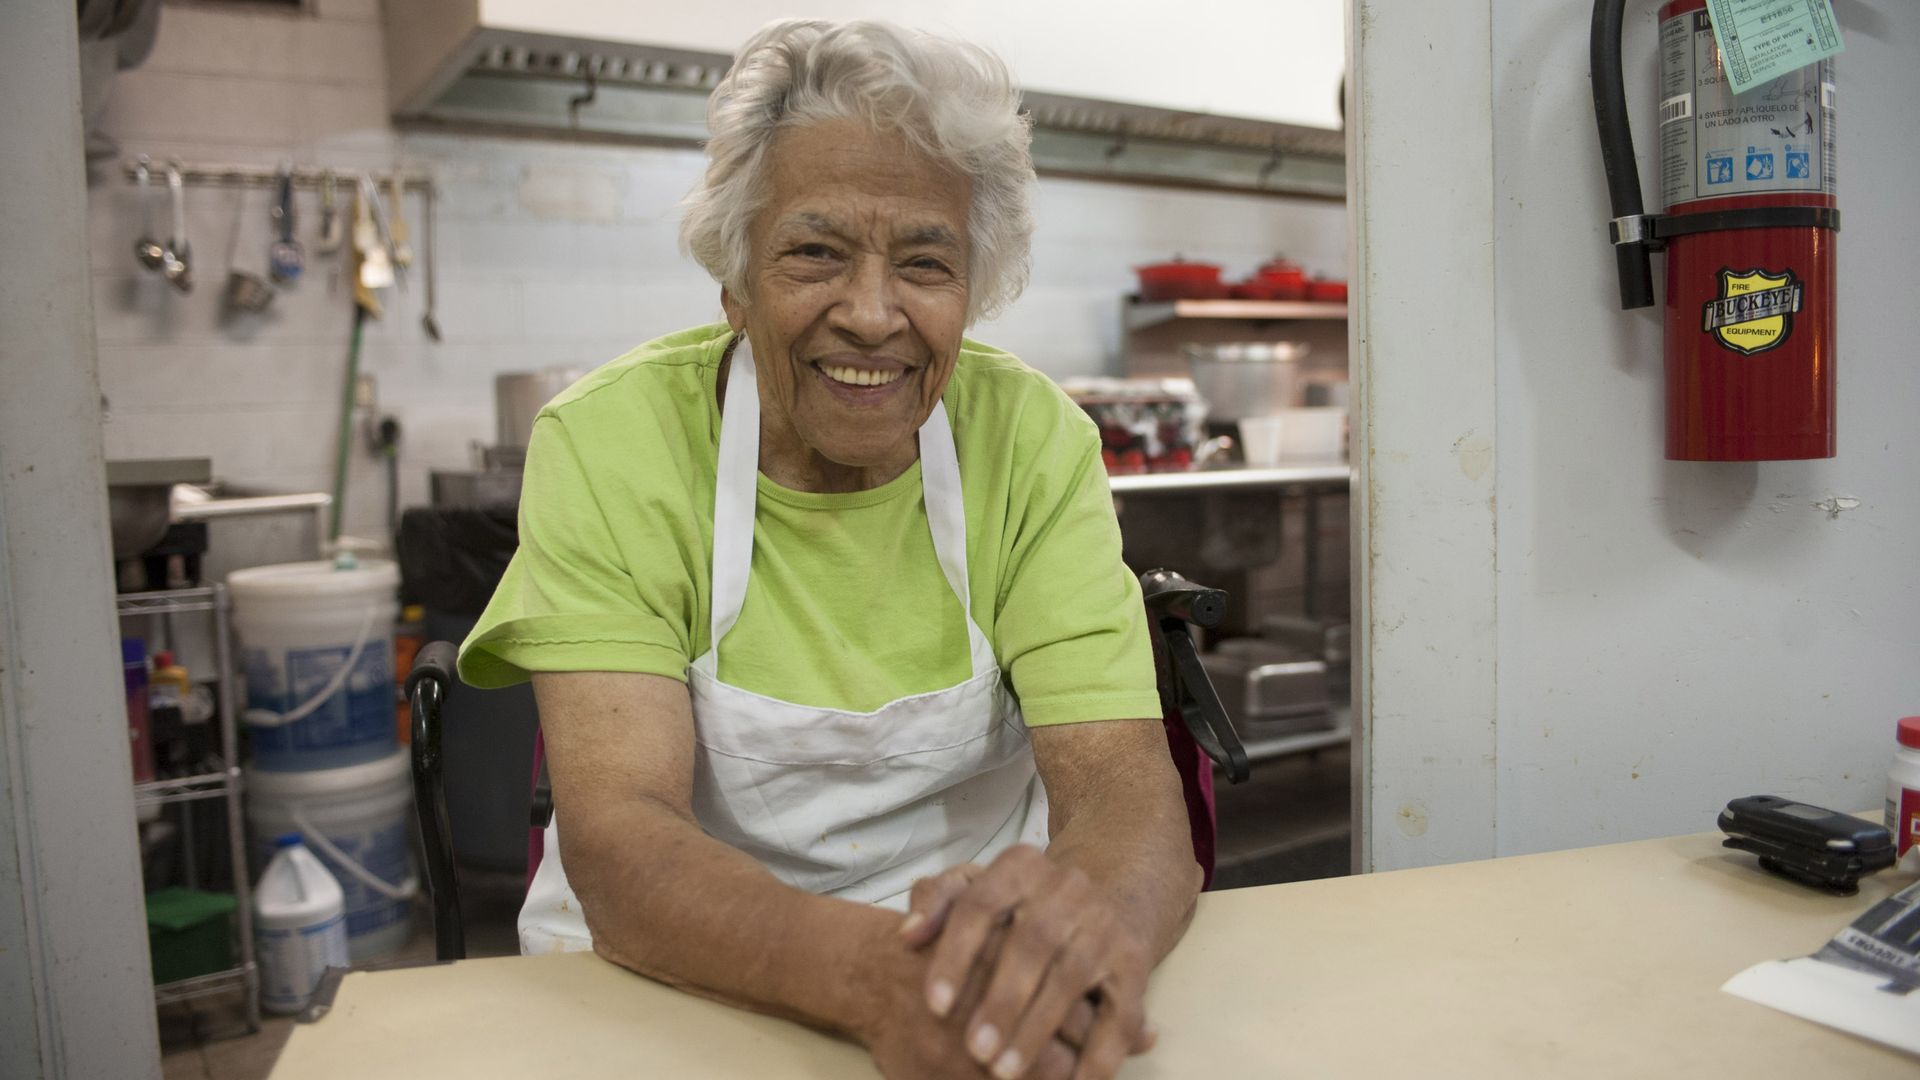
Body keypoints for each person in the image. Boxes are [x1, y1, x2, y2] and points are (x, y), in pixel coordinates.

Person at [458, 18, 1200, 1080]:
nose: (870, 314)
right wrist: (876, 981)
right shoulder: (612, 443)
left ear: (972, 288)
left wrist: (1075, 954)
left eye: (926, 262)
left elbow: (1124, 792)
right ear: (734, 277)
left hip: (973, 995)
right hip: (672, 987)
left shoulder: (1032, 443)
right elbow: (620, 837)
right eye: (814, 252)